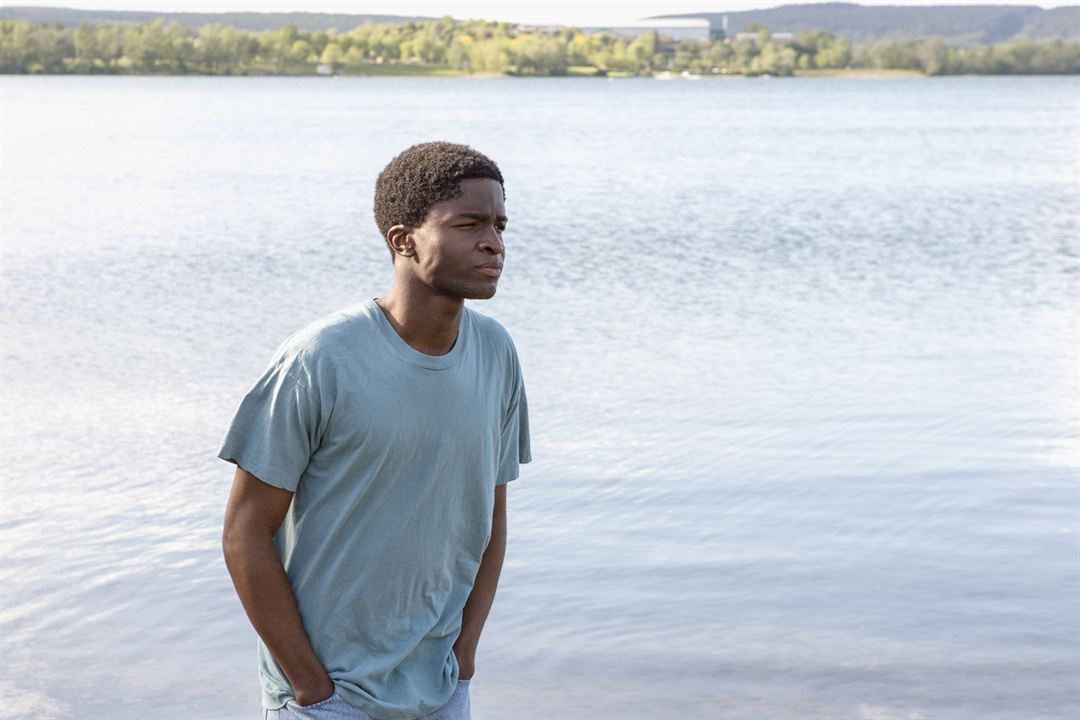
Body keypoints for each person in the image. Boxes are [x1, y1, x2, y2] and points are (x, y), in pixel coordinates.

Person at [219, 141, 531, 720]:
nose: (494, 242)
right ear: (402, 239)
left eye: (499, 224)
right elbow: (244, 533)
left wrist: (463, 657)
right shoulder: (320, 359)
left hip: (440, 690)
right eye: (469, 224)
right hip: (329, 699)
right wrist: (311, 685)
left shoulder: (496, 353)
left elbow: (491, 516)